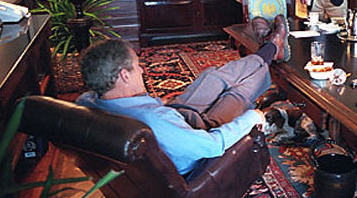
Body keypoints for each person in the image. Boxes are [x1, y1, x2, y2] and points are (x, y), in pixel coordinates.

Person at [76, 16, 287, 175]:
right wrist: (254, 117)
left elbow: (152, 114)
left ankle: (268, 50)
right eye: (137, 66)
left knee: (211, 77)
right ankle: (271, 48)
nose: (142, 71)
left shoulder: (88, 102)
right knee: (240, 91)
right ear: (123, 75)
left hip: (173, 118)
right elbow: (212, 145)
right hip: (197, 137)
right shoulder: (154, 122)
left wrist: (162, 103)